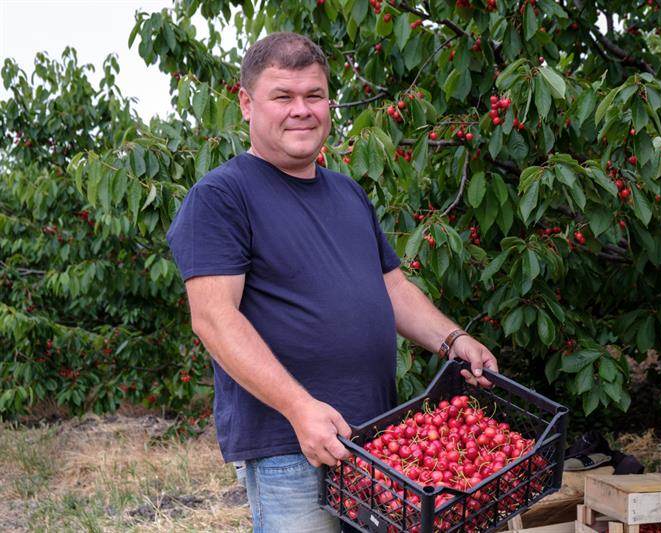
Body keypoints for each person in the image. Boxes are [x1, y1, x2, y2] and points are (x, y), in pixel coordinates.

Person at [166, 32, 498, 533]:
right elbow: (213, 318)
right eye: (283, 96)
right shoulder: (222, 196)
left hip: (379, 441)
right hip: (291, 445)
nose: (301, 110)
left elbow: (392, 289)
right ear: (247, 104)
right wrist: (301, 409)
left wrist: (453, 339)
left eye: (314, 95)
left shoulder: (347, 192)